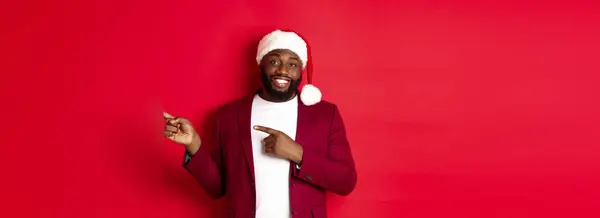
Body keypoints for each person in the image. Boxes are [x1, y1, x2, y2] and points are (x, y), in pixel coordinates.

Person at [163, 29, 357, 218]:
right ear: (261, 64)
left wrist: (297, 154)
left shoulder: (324, 115)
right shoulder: (228, 116)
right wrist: (194, 144)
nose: (282, 70)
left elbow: (346, 181)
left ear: (301, 70)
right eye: (274, 61)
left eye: (292, 64)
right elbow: (217, 188)